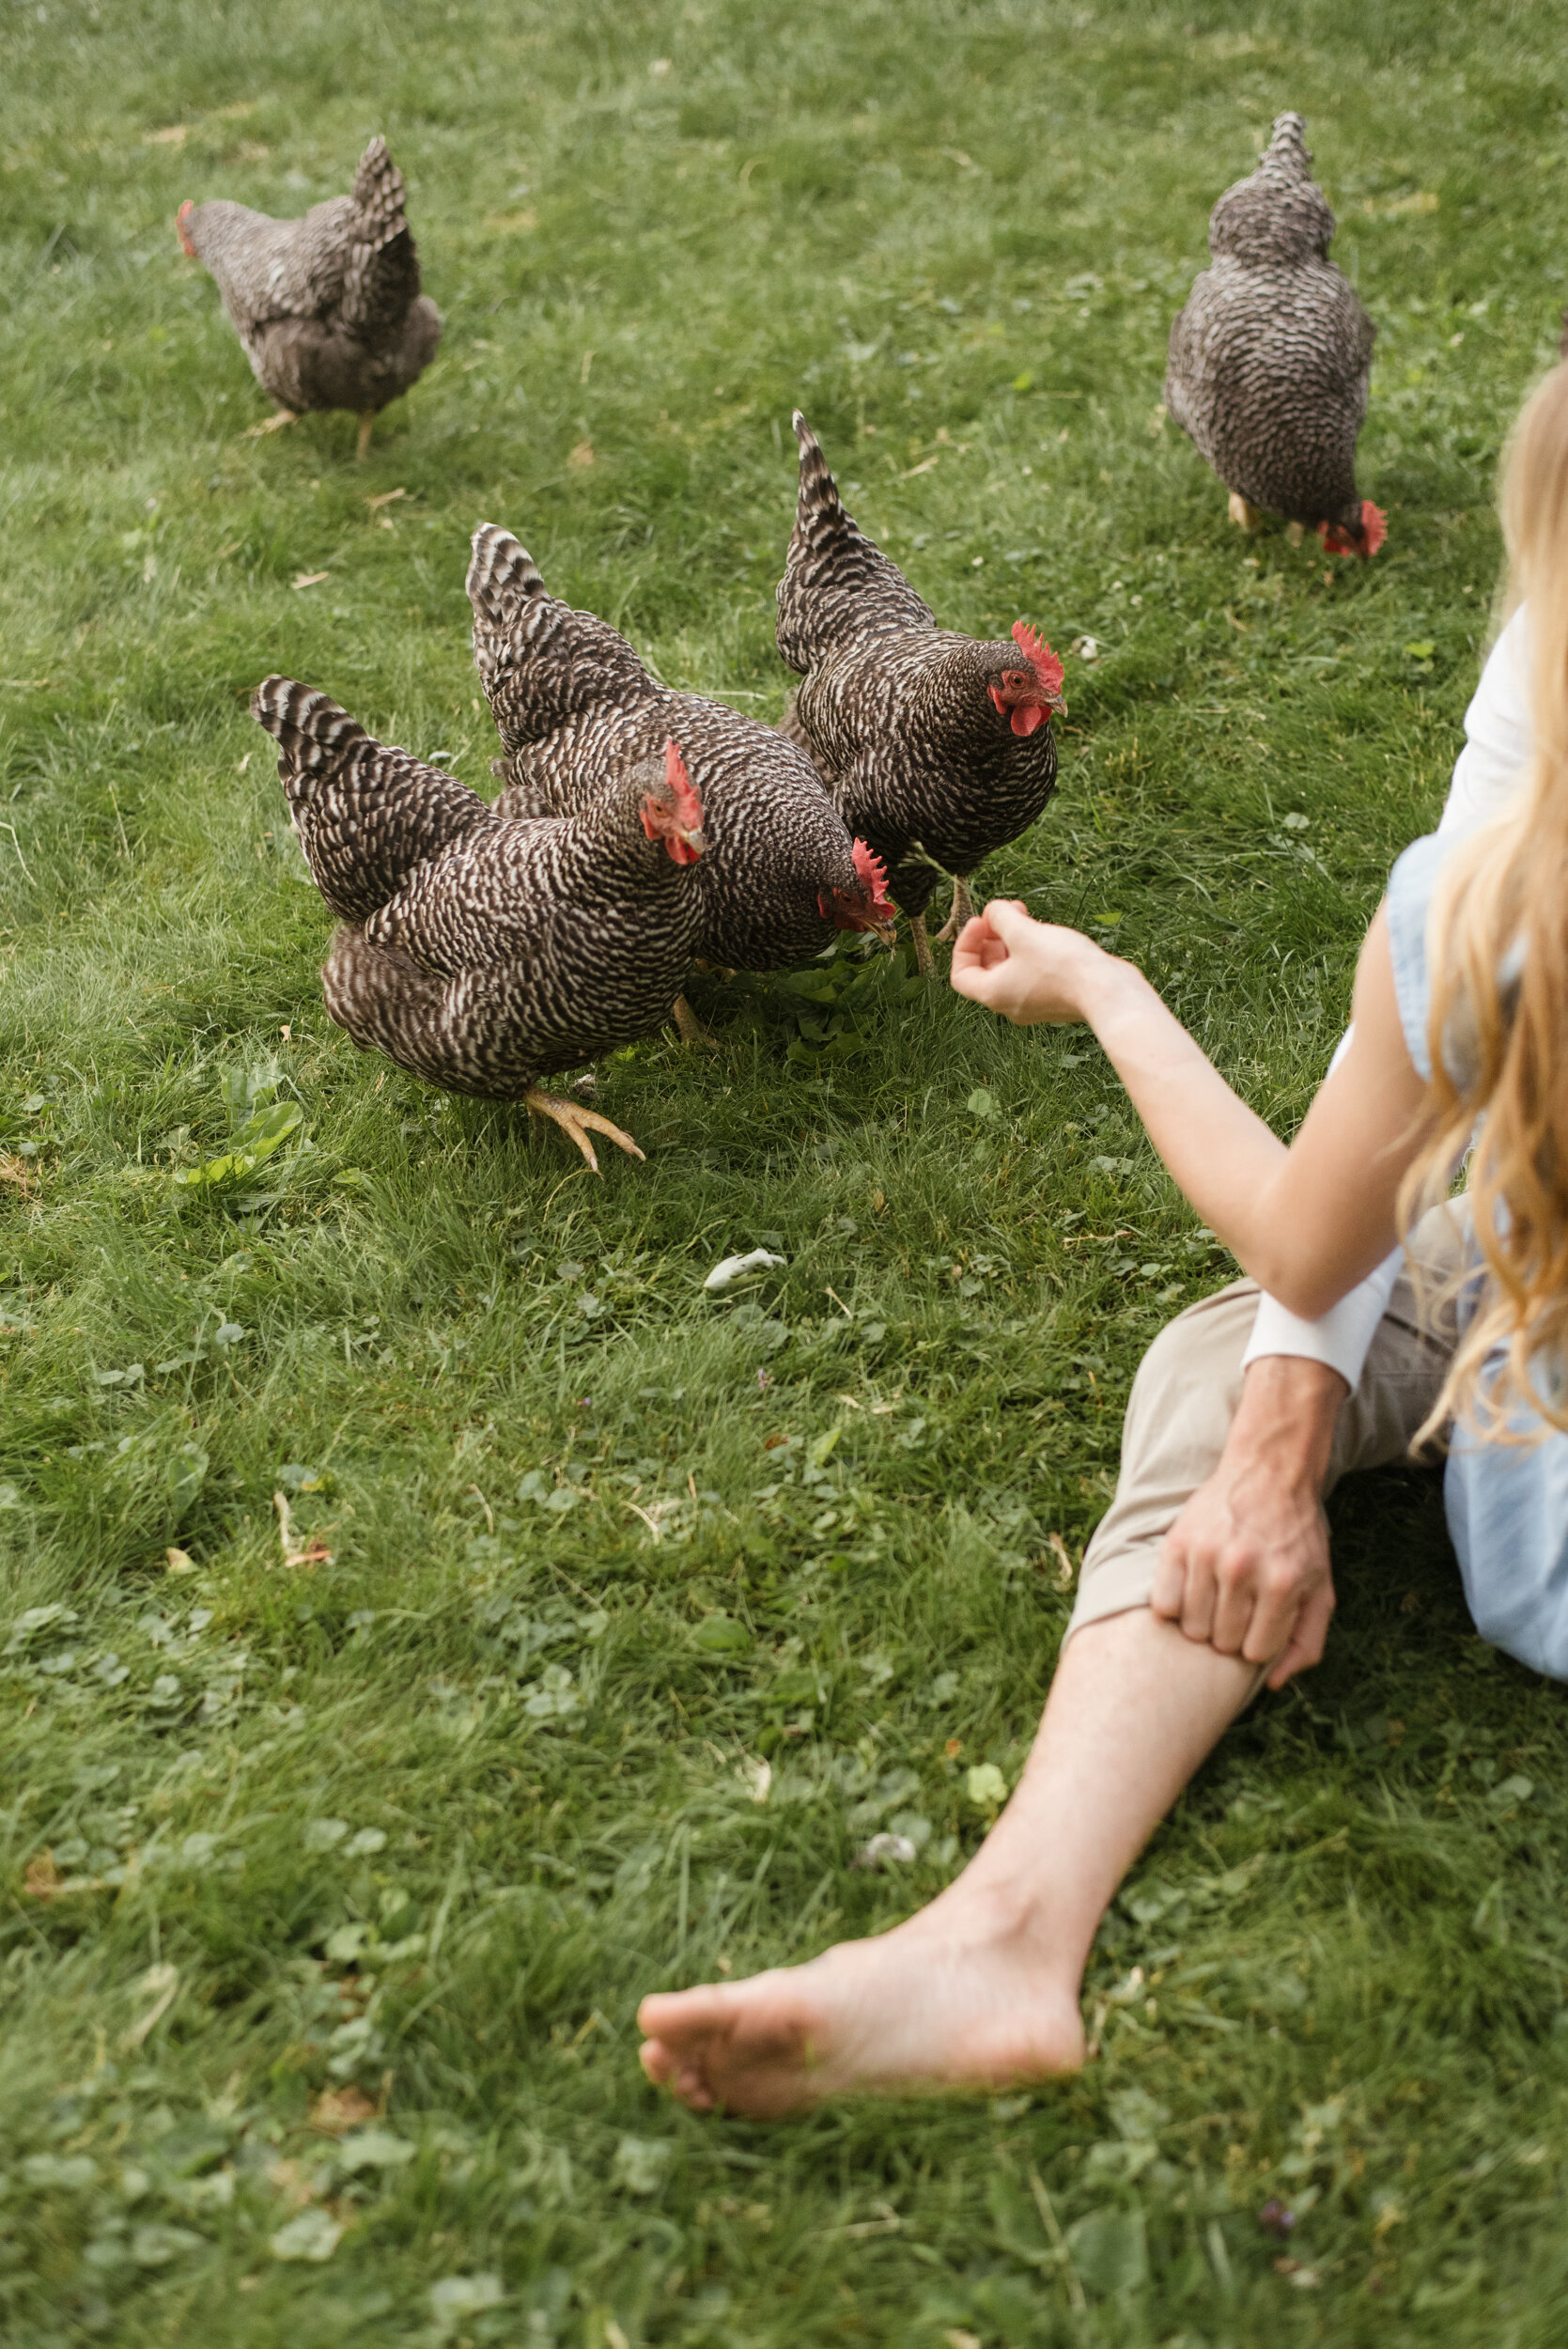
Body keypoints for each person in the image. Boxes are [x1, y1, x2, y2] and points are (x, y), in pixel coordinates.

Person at [636, 366, 1568, 2121]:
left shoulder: (1474, 918)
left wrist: (1107, 989)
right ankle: (998, 1933)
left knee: (1236, 1339)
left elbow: (1306, 1242)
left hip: (1549, 1544)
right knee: (1252, 1376)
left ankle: (999, 1940)